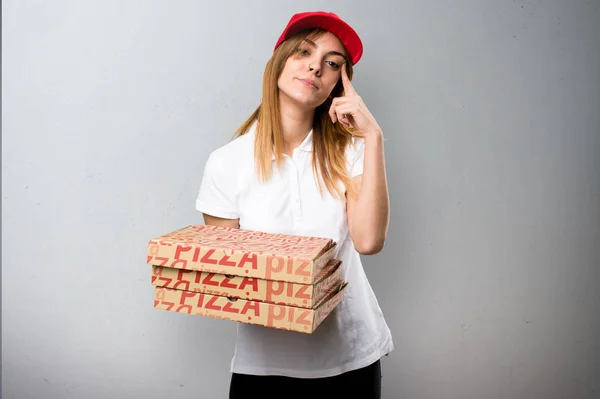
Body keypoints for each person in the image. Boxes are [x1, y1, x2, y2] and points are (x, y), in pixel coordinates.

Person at [195, 11, 394, 399]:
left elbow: (369, 241)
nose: (315, 67)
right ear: (279, 60)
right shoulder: (227, 162)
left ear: (339, 83)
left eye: (332, 63)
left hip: (350, 356)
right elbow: (229, 279)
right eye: (304, 51)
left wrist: (374, 136)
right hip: (264, 364)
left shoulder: (351, 151)